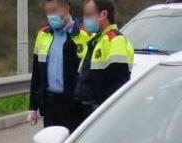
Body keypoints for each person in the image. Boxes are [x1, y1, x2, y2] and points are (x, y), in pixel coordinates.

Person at [29, 0, 90, 131]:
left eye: (54, 11)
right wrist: (33, 107)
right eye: (48, 12)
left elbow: (90, 74)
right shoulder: (43, 35)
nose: (51, 16)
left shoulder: (84, 35)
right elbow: (36, 74)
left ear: (67, 8)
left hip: (74, 106)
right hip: (50, 104)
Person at [74, 0, 134, 126]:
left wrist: (103, 110)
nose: (85, 20)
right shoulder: (96, 40)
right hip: (88, 109)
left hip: (100, 112)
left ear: (103, 14)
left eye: (89, 15)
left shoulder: (115, 40)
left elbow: (118, 83)